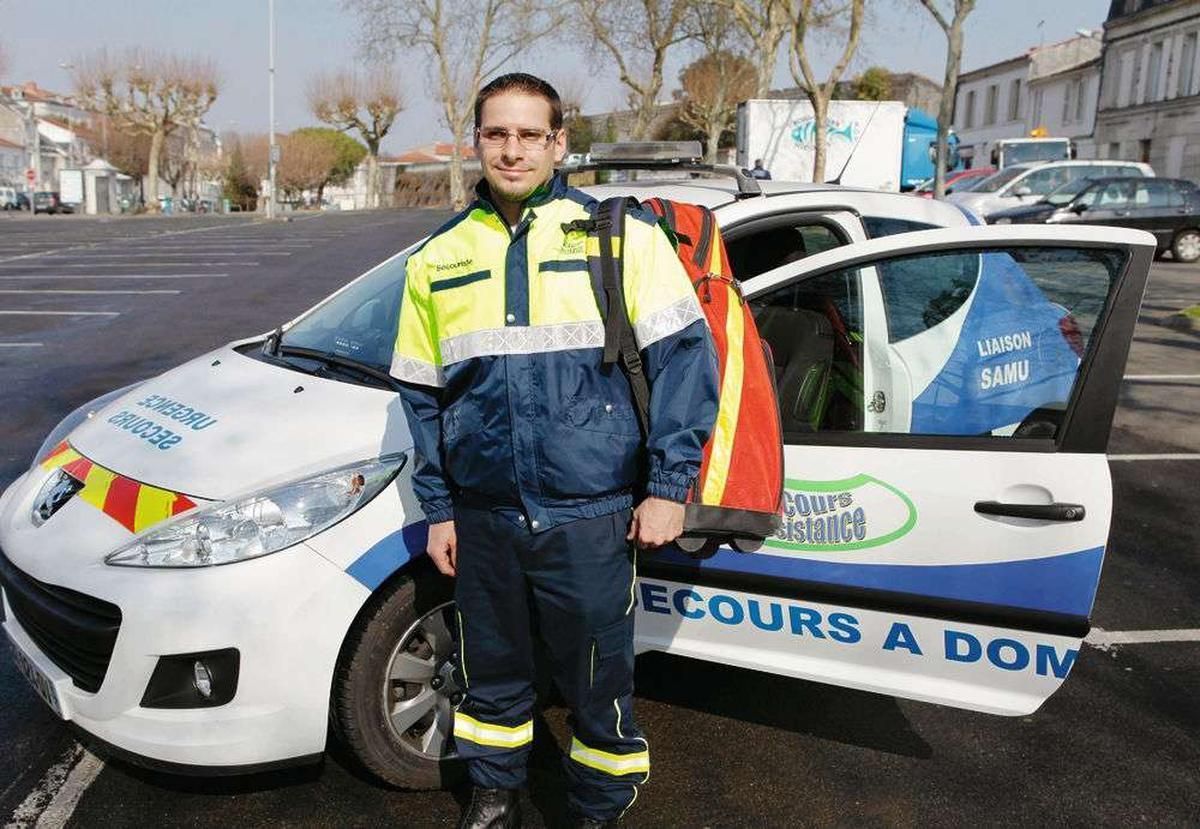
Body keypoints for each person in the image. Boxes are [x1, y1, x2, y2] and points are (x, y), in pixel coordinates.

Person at [391, 73, 720, 829]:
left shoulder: (619, 237)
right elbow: (422, 396)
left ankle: (597, 806)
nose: (512, 150)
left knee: (598, 678)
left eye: (529, 134)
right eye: (496, 134)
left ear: (558, 142)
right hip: (486, 516)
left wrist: (669, 486)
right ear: (477, 141)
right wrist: (439, 509)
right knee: (492, 671)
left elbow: (685, 362)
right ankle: (495, 794)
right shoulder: (436, 258)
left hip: (591, 515)